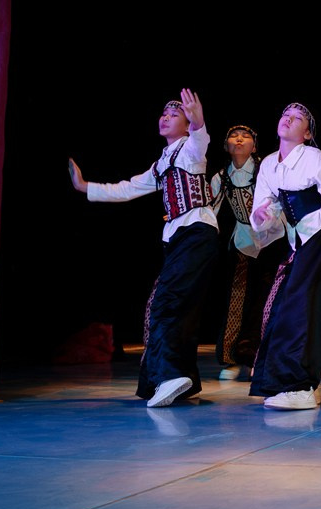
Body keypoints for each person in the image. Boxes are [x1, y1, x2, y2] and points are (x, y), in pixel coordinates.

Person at [69, 90, 220, 408]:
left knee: (165, 303)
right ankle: (181, 380)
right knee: (176, 307)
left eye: (174, 114)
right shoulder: (161, 163)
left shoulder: (191, 148)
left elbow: (200, 137)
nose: (166, 117)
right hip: (179, 237)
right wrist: (85, 187)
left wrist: (198, 120)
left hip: (196, 230)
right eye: (164, 113)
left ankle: (169, 377)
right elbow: (127, 188)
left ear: (186, 123)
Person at [247, 105, 321, 410]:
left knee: (303, 306)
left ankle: (299, 385)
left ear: (307, 133)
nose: (288, 118)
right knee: (284, 305)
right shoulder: (268, 165)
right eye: (285, 114)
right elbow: (264, 207)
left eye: (298, 118)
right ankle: (296, 384)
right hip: (299, 239)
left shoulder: (312, 156)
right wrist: (261, 215)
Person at [209, 123, 286, 380]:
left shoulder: (266, 169)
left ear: (254, 146)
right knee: (236, 298)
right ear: (226, 146)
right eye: (234, 136)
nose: (239, 139)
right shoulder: (221, 177)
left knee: (266, 299)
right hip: (244, 239)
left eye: (245, 136)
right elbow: (210, 210)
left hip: (272, 238)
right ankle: (230, 358)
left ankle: (257, 356)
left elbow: (281, 199)